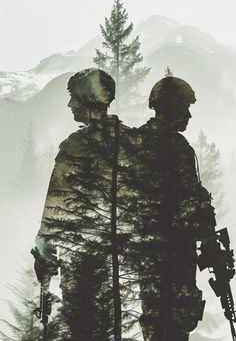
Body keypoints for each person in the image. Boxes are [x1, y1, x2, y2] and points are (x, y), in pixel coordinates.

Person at [32, 68, 129, 341]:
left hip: (84, 267)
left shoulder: (75, 146)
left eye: (74, 97)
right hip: (126, 269)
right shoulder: (132, 142)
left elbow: (54, 211)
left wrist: (45, 261)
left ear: (88, 99)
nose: (69, 104)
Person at [132, 76, 216, 341]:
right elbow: (189, 205)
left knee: (156, 324)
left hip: (147, 256)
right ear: (170, 108)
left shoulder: (138, 143)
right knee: (175, 325)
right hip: (173, 255)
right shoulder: (176, 147)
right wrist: (209, 237)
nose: (189, 115)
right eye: (184, 107)